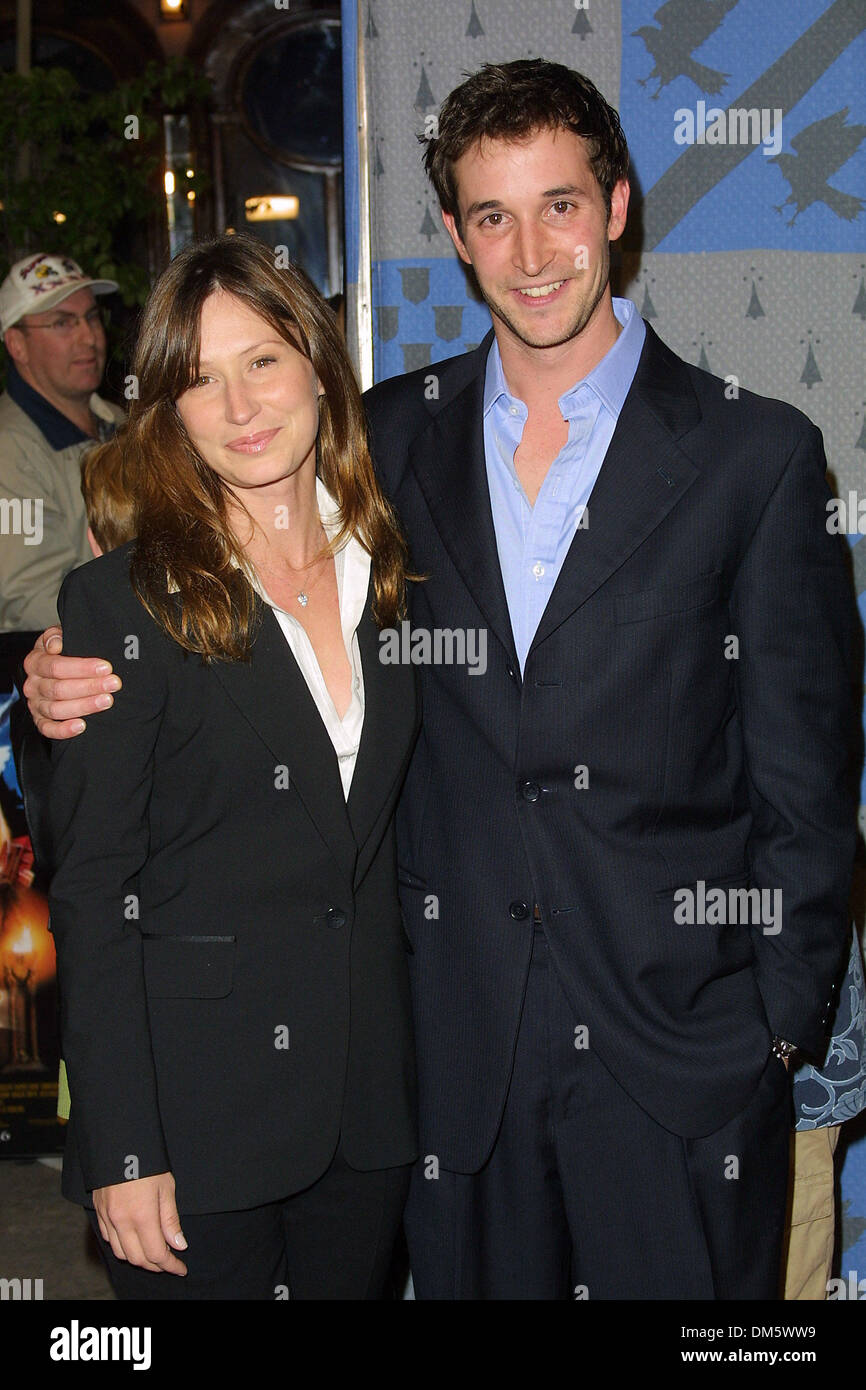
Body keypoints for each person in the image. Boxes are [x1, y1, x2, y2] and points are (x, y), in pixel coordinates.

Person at [24, 61, 859, 1300]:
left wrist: (769, 1029)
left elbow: (806, 781)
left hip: (679, 1056)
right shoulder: (386, 442)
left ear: (617, 207)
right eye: (489, 216)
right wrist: (59, 680)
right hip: (446, 1067)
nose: (529, 252)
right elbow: (208, 592)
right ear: (459, 239)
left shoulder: (755, 454)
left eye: (559, 206)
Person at [26, 233, 419, 1300]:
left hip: (369, 1103)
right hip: (193, 1116)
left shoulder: (394, 570)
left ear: (317, 366)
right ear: (168, 410)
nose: (240, 405)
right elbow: (93, 886)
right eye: (198, 378)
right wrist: (121, 1143)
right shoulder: (123, 602)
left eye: (262, 360)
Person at [0, 254, 123, 632]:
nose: (88, 337)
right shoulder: (11, 452)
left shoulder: (120, 422)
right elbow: (27, 599)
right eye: (63, 323)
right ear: (17, 344)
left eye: (90, 317)